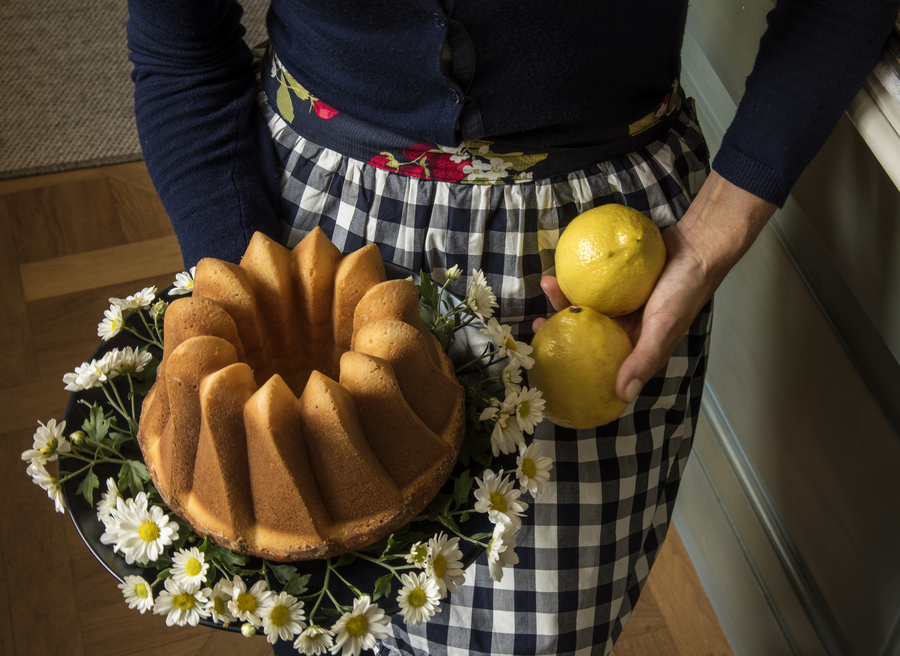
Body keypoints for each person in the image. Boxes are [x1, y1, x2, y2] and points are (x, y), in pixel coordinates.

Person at [126, 1, 899, 654]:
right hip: (309, 240)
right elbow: (179, 40)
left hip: (588, 271)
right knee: (331, 619)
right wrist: (252, 299)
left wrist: (710, 238)